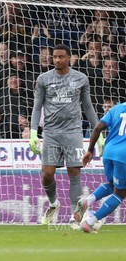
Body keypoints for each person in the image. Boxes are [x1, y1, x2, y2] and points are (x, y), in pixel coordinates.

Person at [29, 44, 103, 227]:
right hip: (51, 133)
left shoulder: (81, 78)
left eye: (61, 57)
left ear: (69, 58)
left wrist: (98, 132)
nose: (57, 60)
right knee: (46, 174)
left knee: (74, 172)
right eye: (54, 57)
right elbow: (37, 106)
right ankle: (53, 203)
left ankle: (75, 215)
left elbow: (88, 107)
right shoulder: (43, 79)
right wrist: (33, 132)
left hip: (73, 132)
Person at [78, 102, 123, 233]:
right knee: (120, 193)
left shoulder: (116, 109)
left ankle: (87, 201)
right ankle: (90, 222)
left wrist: (90, 150)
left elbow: (97, 128)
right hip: (123, 155)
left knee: (111, 183)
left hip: (108, 152)